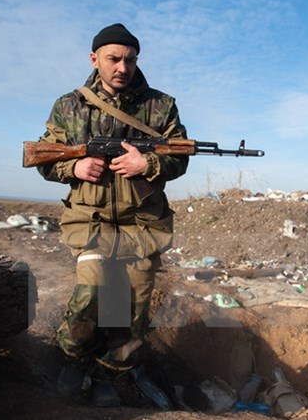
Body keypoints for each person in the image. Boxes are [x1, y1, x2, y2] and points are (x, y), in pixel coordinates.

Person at [36, 23, 188, 399]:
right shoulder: (70, 106)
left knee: (131, 308)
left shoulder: (161, 105)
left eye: (131, 59)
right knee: (93, 292)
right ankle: (74, 361)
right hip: (91, 220)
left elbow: (180, 158)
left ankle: (110, 375)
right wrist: (75, 168)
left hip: (142, 224)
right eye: (114, 58)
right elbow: (43, 158)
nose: (123, 67)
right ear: (94, 59)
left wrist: (146, 166)